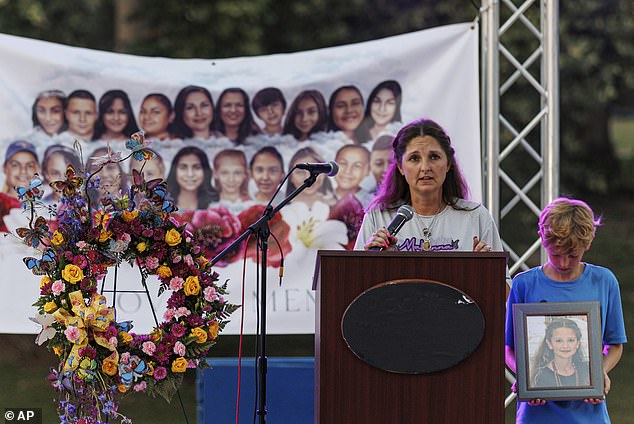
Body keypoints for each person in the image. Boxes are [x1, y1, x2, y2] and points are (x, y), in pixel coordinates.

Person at [505, 197, 627, 423]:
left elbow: (615, 345)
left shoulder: (604, 281)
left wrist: (599, 373)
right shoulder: (524, 284)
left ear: (588, 242)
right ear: (542, 239)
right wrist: (527, 376)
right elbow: (508, 349)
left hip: (589, 414)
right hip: (536, 415)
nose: (563, 263)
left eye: (573, 255)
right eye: (556, 253)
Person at [354, 119, 504, 257]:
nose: (425, 167)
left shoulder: (476, 217)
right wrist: (374, 261)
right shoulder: (378, 218)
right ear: (400, 167)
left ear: (448, 164)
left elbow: (505, 287)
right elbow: (354, 285)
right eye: (414, 158)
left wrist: (486, 270)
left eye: (434, 157)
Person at [531, 318, 590, 388]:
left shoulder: (586, 370)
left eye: (571, 340)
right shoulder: (541, 376)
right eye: (559, 341)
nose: (565, 345)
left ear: (577, 343)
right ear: (549, 344)